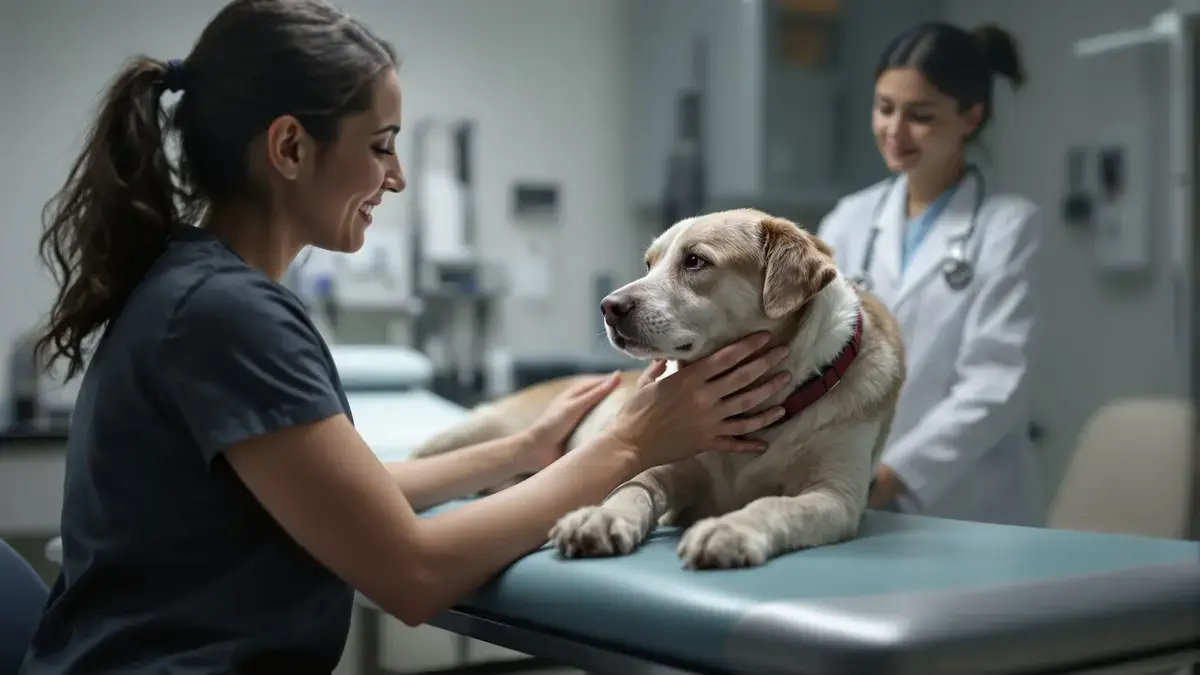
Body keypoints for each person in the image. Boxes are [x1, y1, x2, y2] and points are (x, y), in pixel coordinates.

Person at [18, 1, 795, 673]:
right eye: (382, 144)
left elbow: (335, 499)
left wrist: (514, 453)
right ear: (290, 148)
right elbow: (413, 573)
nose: (395, 178)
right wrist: (629, 445)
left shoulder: (197, 287)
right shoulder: (226, 314)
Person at [817, 21, 1045, 527]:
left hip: (974, 509)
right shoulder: (848, 220)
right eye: (884, 108)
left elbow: (994, 382)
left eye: (920, 115)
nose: (894, 131)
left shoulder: (1008, 227)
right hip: (855, 487)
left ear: (971, 117)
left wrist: (890, 474)